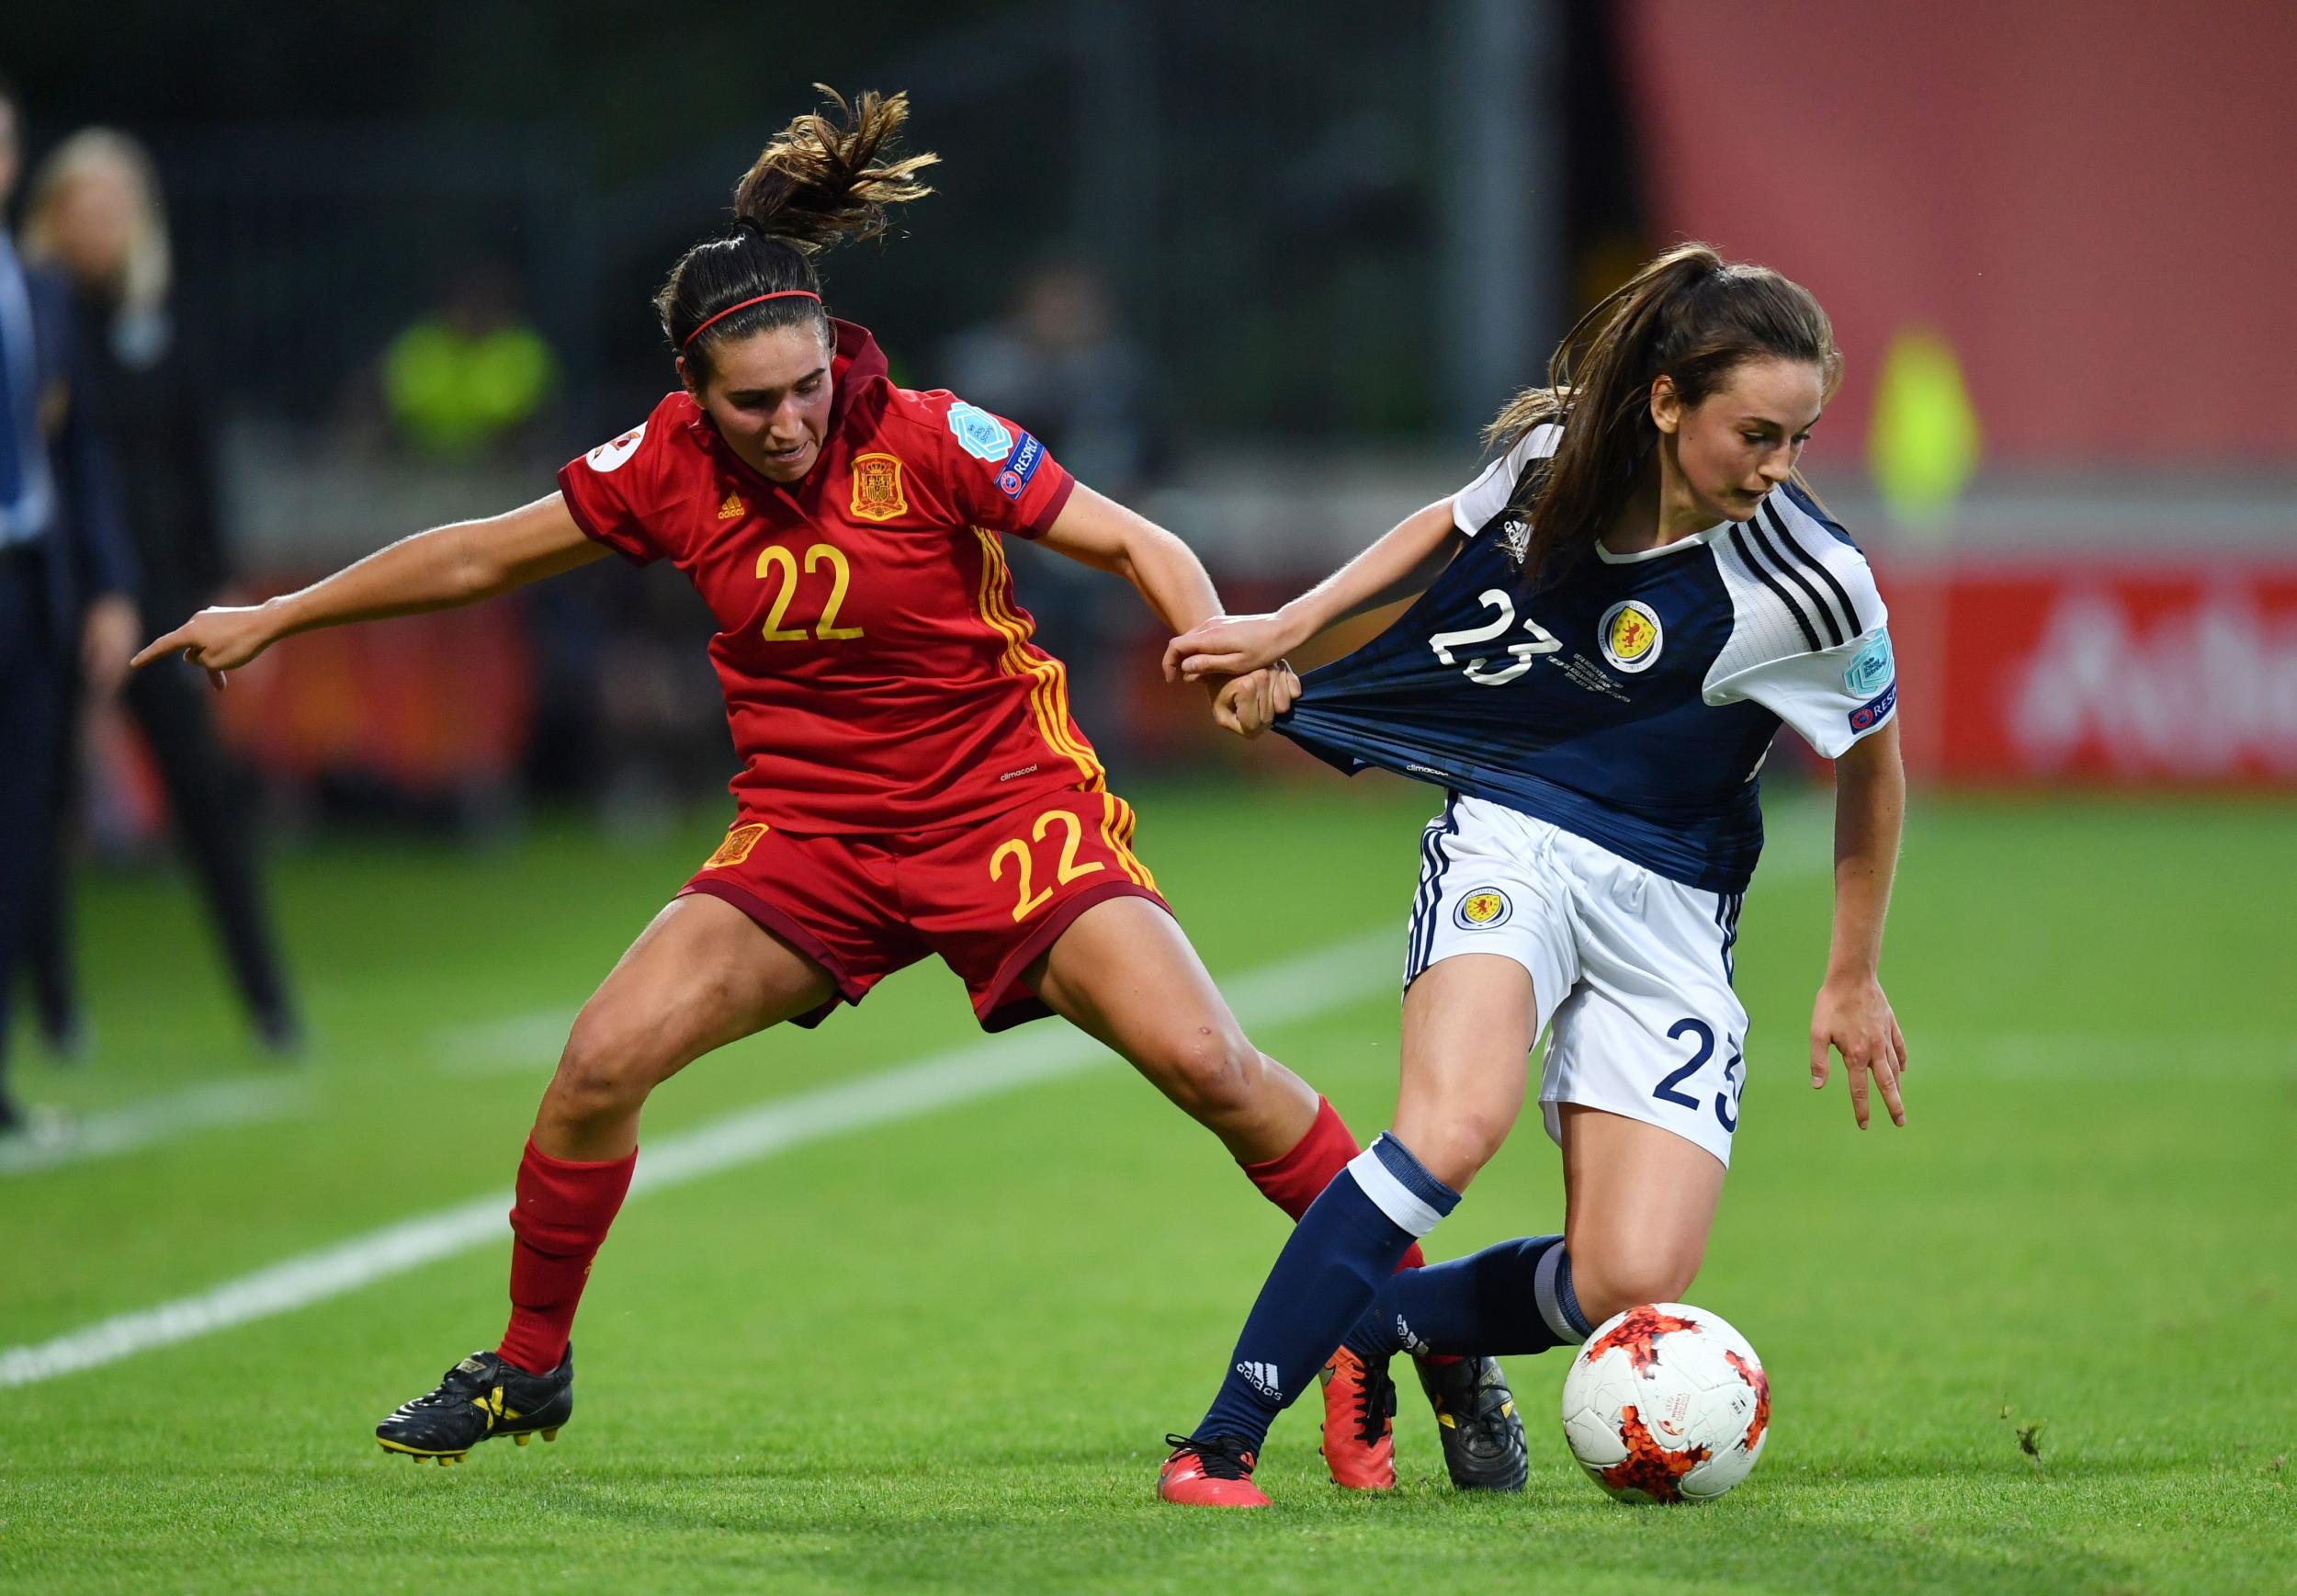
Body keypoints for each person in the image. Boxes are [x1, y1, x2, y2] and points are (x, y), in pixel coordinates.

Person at [134, 89, 1522, 1477]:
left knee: (1214, 1066)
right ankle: (528, 1367)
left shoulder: (925, 431)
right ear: (694, 392)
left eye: (810, 385)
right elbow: (483, 554)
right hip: (813, 839)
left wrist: (1220, 637)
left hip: (1007, 811)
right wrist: (280, 615)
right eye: (757, 401)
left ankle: (1416, 1331)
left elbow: (1131, 538)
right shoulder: (664, 467)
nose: (794, 416)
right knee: (598, 1065)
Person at [1153, 243, 1909, 1507]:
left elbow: (1873, 769)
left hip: (1672, 896)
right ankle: (1219, 1439)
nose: (1780, 468)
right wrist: (1289, 629)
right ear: (1667, 403)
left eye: (1802, 438)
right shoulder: (1565, 456)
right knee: (1451, 1126)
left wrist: (1851, 973)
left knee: (1626, 1283)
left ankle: (1391, 1324)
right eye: (1757, 434)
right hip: (1514, 833)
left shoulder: (1814, 583)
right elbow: (1442, 529)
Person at [20, 127, 302, 1058]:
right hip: (56, 591)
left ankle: (270, 1006)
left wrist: (221, 587)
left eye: (117, 207)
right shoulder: (34, 314)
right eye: (84, 207)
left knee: (205, 796)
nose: (102, 225)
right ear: (53, 215)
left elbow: (197, 462)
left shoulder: (166, 317)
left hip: (165, 600)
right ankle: (55, 1012)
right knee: (38, 803)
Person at [0, 76, 141, 1135]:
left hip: (33, 588)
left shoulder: (36, 290)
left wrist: (108, 586)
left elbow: (82, 452)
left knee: (22, 835)